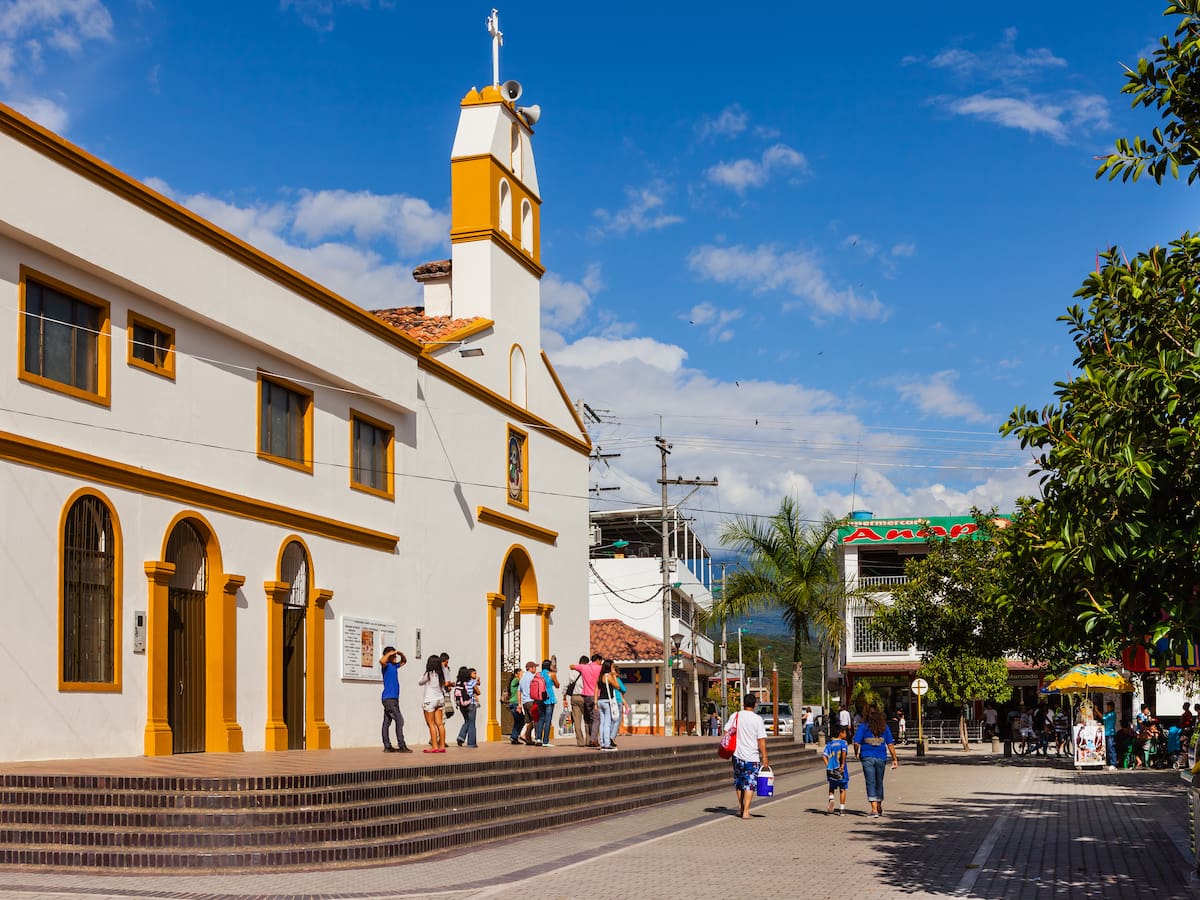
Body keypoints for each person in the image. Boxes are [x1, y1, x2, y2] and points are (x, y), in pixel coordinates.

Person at [724, 693, 768, 819]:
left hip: (737, 755)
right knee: (750, 783)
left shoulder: (735, 715)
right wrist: (764, 756)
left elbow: (727, 731)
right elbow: (761, 740)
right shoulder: (757, 719)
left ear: (743, 703)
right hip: (752, 757)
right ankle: (746, 811)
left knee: (739, 782)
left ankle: (741, 807)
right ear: (755, 705)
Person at [853, 704, 899, 817]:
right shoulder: (884, 727)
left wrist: (856, 753)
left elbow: (856, 742)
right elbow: (890, 744)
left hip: (867, 756)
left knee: (870, 782)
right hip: (881, 757)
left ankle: (874, 809)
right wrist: (894, 759)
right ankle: (879, 804)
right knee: (879, 781)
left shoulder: (863, 727)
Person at [379, 646, 412, 753]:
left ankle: (387, 746)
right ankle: (401, 745)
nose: (395, 657)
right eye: (393, 656)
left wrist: (400, 654)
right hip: (389, 699)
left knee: (387, 722)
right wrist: (390, 653)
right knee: (399, 720)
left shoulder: (394, 666)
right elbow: (381, 661)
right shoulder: (386, 666)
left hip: (393, 699)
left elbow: (404, 661)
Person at [570, 653, 604, 747]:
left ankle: (585, 740)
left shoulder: (584, 667)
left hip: (586, 696)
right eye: (600, 661)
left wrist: (579, 668)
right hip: (597, 695)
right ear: (598, 660)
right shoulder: (600, 668)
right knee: (595, 719)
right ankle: (593, 739)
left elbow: (571, 666)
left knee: (589, 718)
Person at [417, 654, 447, 753]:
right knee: (440, 724)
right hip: (440, 700)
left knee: (431, 724)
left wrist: (425, 672)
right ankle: (442, 746)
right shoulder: (441, 674)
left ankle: (434, 746)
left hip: (430, 700)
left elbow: (420, 682)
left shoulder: (429, 674)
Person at [824, 722, 851, 815]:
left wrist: (828, 765)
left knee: (832, 787)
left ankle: (831, 798)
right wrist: (842, 763)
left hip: (831, 769)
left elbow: (824, 756)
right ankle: (842, 809)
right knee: (842, 788)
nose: (846, 734)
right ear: (840, 733)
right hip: (840, 769)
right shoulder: (843, 743)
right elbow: (843, 752)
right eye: (845, 732)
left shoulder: (829, 744)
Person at [454, 666, 481, 748]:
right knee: (472, 723)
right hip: (471, 704)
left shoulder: (458, 682)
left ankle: (461, 737)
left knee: (467, 721)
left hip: (462, 705)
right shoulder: (471, 682)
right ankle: (471, 743)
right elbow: (478, 692)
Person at [596, 659, 619, 751]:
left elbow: (597, 688)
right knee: (607, 723)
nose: (613, 668)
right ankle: (607, 744)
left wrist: (595, 702)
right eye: (612, 666)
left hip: (600, 701)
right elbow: (617, 686)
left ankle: (602, 742)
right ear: (609, 667)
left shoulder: (600, 676)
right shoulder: (608, 676)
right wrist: (614, 675)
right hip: (607, 702)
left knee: (602, 723)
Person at [566, 657, 588, 748]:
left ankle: (580, 742)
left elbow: (566, 685)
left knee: (576, 721)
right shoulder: (587, 672)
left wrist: (564, 697)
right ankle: (589, 740)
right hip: (585, 697)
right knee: (587, 719)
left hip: (574, 697)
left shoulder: (573, 672)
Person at [537, 658, 559, 747]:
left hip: (540, 697)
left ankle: (538, 738)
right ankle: (545, 741)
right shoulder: (552, 674)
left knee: (541, 718)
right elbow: (557, 685)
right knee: (548, 719)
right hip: (549, 697)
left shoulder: (538, 674)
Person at [518, 660, 540, 745]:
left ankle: (527, 738)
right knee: (536, 720)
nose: (535, 669)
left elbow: (519, 692)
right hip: (532, 701)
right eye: (534, 667)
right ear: (530, 668)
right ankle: (538, 738)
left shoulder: (522, 679)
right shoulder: (533, 678)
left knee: (530, 721)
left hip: (525, 702)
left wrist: (520, 704)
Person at [609, 664, 627, 747]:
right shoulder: (617, 679)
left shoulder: (607, 678)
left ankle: (609, 737)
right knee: (617, 720)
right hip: (618, 700)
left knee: (611, 720)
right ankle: (612, 737)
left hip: (610, 701)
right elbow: (624, 689)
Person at [506, 668, 525, 745]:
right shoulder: (515, 680)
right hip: (514, 703)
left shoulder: (516, 681)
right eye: (520, 672)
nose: (522, 674)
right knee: (520, 720)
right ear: (516, 674)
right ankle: (514, 736)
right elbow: (521, 680)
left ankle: (514, 737)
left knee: (518, 720)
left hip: (514, 703)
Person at [1103, 701, 1117, 769]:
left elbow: (1103, 717)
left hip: (1110, 734)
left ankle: (1113, 763)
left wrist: (1096, 710)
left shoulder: (1112, 714)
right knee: (1107, 749)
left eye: (1109, 707)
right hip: (1106, 733)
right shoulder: (1108, 713)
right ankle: (1108, 762)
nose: (1107, 708)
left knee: (1111, 748)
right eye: (1107, 707)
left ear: (1112, 707)